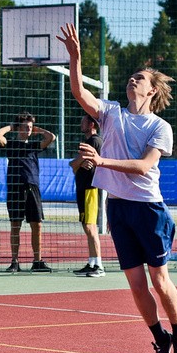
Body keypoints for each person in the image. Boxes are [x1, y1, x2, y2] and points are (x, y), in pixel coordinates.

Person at [58, 23, 177, 353]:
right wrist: (75, 59)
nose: (132, 80)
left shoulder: (159, 127)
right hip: (117, 206)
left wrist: (101, 162)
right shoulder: (112, 112)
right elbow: (80, 94)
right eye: (131, 77)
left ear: (151, 91)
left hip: (148, 209)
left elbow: (146, 166)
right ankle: (159, 337)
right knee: (135, 284)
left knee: (159, 281)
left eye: (139, 78)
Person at [0, 112, 56, 273]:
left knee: (37, 225)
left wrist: (37, 129)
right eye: (25, 127)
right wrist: (12, 127)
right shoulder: (12, 144)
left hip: (32, 188)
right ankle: (15, 261)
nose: (28, 129)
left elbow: (52, 137)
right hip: (15, 188)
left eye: (30, 127)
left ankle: (37, 260)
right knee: (15, 225)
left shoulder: (34, 145)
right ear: (19, 128)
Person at [70, 114, 105, 277]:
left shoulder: (94, 141)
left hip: (91, 189)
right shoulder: (87, 142)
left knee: (91, 227)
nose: (80, 123)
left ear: (92, 124)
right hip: (83, 188)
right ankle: (92, 262)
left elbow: (75, 163)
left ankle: (99, 265)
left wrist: (78, 162)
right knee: (86, 226)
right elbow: (74, 165)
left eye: (83, 121)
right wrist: (78, 163)